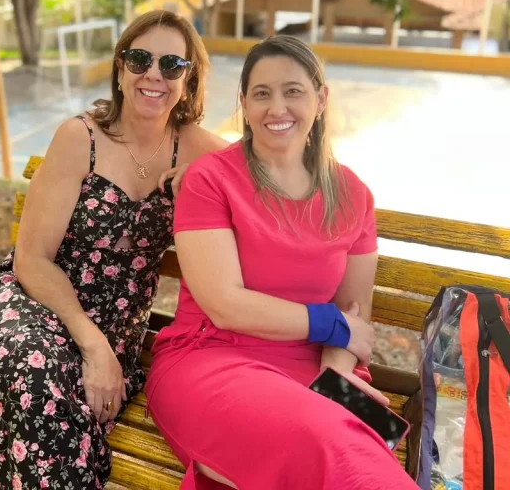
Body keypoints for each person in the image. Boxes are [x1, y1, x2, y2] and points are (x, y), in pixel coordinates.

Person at [0, 10, 226, 489]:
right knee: (33, 375)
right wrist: (93, 345)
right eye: (140, 59)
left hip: (116, 325)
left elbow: (275, 172)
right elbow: (32, 260)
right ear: (120, 71)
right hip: (33, 300)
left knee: (42, 393)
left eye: (172, 65)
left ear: (188, 81)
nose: (154, 74)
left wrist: (207, 178)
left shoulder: (196, 150)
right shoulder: (80, 138)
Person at [145, 35, 419, 490]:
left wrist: (336, 372)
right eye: (261, 93)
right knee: (331, 449)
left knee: (353, 449)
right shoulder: (210, 180)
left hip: (321, 366)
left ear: (321, 99)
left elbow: (354, 313)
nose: (277, 108)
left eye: (293, 91)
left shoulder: (353, 194)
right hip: (213, 358)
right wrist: (332, 325)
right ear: (244, 104)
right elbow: (225, 305)